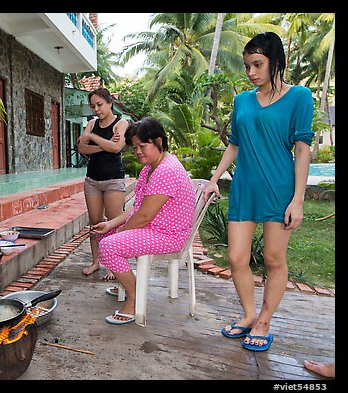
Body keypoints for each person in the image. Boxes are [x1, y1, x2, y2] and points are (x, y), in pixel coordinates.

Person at [203, 32, 314, 351]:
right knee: (236, 257)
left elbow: (302, 149)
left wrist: (298, 199)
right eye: (247, 65)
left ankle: (265, 320)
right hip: (245, 189)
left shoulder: (300, 97)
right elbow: (234, 144)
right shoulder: (242, 100)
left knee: (273, 258)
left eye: (258, 64)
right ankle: (249, 315)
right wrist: (214, 178)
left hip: (280, 189)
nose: (251, 72)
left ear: (275, 62)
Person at [93, 117, 196, 324]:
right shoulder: (150, 168)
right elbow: (136, 208)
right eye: (134, 147)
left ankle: (133, 298)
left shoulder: (166, 170)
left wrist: (121, 233)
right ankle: (128, 283)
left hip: (169, 236)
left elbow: (144, 216)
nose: (138, 151)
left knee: (110, 246)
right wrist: (112, 224)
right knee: (107, 233)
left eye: (143, 145)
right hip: (156, 228)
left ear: (158, 141)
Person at [78, 87, 129, 281]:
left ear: (110, 103)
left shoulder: (121, 123)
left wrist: (92, 139)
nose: (96, 109)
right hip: (92, 179)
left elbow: (116, 147)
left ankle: (113, 264)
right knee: (95, 224)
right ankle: (96, 261)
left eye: (100, 105)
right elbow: (82, 148)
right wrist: (101, 144)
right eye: (93, 106)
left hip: (113, 179)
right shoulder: (92, 124)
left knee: (113, 224)